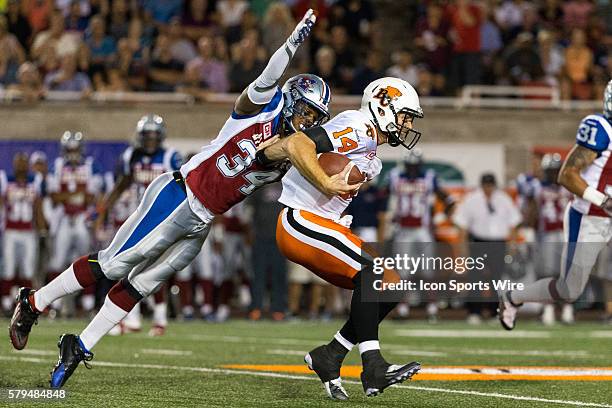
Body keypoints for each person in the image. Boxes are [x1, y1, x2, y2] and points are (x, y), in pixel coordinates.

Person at [9, 9, 348, 389]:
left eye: (314, 117)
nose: (307, 122)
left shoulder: (295, 151)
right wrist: (291, 44)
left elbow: (298, 165)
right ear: (290, 101)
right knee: (115, 264)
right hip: (180, 194)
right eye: (304, 111)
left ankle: (80, 344)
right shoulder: (259, 109)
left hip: (203, 219)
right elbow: (268, 79)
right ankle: (34, 301)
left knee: (143, 283)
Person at [258, 77, 424, 399]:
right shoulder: (358, 127)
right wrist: (325, 181)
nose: (406, 124)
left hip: (323, 225)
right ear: (383, 106)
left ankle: (330, 355)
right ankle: (373, 366)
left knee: (390, 284)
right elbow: (300, 144)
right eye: (404, 115)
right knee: (374, 273)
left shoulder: (371, 148)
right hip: (301, 219)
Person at [499, 80, 612, 330]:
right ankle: (513, 298)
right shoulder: (601, 129)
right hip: (590, 216)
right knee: (569, 289)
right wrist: (602, 200)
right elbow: (567, 175)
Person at [95, 114, 182, 336]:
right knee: (132, 266)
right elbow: (122, 183)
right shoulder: (131, 156)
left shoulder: (171, 156)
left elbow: (182, 189)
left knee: (154, 268)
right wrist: (105, 210)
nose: (150, 140)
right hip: (139, 218)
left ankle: (154, 319)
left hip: (163, 219)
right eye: (147, 136)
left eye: (154, 136)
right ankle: (137, 319)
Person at [46, 132, 104, 315]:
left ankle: (87, 304)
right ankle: (54, 304)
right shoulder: (56, 165)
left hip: (83, 219)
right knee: (57, 261)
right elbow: (54, 197)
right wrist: (76, 195)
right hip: (63, 218)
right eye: (69, 149)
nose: (72, 152)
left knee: (87, 260)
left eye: (75, 149)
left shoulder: (90, 165)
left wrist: (69, 197)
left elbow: (90, 197)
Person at [453, 173, 522, 324]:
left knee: (496, 279)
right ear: (481, 185)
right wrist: (463, 247)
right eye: (486, 185)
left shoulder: (503, 199)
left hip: (498, 242)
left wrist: (513, 243)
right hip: (478, 241)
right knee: (475, 278)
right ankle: (474, 311)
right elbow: (462, 225)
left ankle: (493, 312)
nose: (488, 189)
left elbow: (514, 222)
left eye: (491, 185)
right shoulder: (472, 199)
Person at [533, 153, 574, 325]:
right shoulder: (537, 187)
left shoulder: (570, 187)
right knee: (547, 274)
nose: (553, 174)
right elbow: (532, 211)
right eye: (550, 171)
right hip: (547, 235)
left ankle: (567, 309)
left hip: (566, 234)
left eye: (556, 170)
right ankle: (548, 309)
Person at [0, 153, 44, 313]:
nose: (21, 166)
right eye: (18, 163)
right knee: (9, 268)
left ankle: (26, 305)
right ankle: (6, 304)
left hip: (28, 231)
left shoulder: (35, 181)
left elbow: (38, 207)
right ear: (13, 164)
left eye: (24, 163)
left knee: (27, 268)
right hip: (10, 230)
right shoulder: (5, 179)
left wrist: (42, 228)